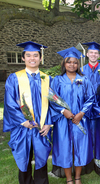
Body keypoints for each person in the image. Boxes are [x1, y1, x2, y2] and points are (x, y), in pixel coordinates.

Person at [3, 41, 52, 184]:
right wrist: (23, 121)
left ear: (40, 58)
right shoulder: (14, 78)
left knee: (42, 157)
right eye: (28, 55)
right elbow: (9, 102)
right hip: (22, 127)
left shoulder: (47, 79)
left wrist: (48, 123)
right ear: (23, 58)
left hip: (42, 127)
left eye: (35, 55)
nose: (32, 58)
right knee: (23, 158)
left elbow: (52, 105)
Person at [50, 47, 95, 184]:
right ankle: (69, 179)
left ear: (78, 64)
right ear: (64, 64)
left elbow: (91, 98)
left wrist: (81, 113)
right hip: (63, 121)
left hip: (80, 120)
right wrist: (63, 111)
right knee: (65, 148)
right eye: (69, 62)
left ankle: (77, 177)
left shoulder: (84, 80)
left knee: (79, 147)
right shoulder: (57, 80)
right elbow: (52, 99)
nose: (72, 65)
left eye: (75, 62)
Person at [82, 41, 100, 176]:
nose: (93, 55)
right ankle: (86, 164)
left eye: (96, 53)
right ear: (87, 54)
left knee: (99, 136)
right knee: (86, 137)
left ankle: (99, 166)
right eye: (91, 52)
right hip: (85, 109)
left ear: (99, 54)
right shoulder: (81, 69)